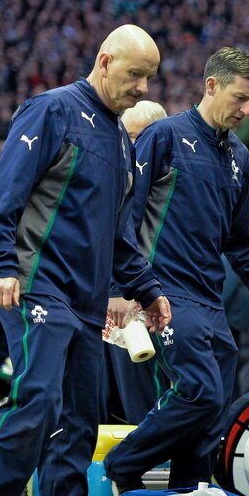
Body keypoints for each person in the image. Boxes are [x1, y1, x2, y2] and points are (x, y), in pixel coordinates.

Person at [0, 25, 172, 496]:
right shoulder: (51, 110)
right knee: (39, 400)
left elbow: (118, 237)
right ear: (104, 61)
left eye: (150, 78)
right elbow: (5, 191)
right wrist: (0, 263)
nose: (144, 87)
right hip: (36, 282)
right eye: (134, 74)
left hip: (87, 301)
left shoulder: (123, 141)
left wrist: (145, 288)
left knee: (79, 421)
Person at [104, 48, 249, 493]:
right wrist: (119, 287)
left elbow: (238, 243)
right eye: (239, 98)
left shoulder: (240, 157)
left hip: (210, 300)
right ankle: (120, 465)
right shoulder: (164, 136)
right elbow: (124, 215)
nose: (246, 110)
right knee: (200, 391)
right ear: (212, 86)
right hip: (164, 293)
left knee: (213, 411)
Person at [103, 99, 169, 425]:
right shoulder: (123, 179)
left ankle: (151, 472)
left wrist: (128, 292)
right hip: (116, 306)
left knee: (145, 403)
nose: (129, 145)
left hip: (144, 304)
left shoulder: (163, 186)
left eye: (134, 136)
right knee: (114, 404)